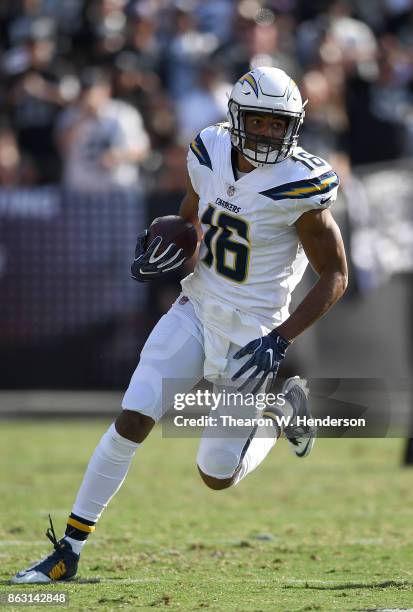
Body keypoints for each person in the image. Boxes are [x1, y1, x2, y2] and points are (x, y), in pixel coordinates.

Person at [11, 66, 348, 583]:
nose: (266, 134)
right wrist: (167, 245)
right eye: (257, 122)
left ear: (294, 127)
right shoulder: (209, 150)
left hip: (252, 332)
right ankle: (69, 550)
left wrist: (281, 339)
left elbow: (336, 275)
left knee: (216, 475)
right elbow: (192, 215)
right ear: (237, 118)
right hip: (196, 307)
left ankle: (283, 413)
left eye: (277, 125)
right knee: (133, 416)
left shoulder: (301, 183)